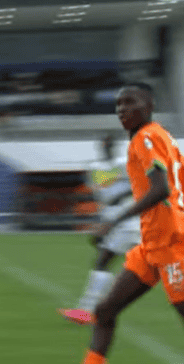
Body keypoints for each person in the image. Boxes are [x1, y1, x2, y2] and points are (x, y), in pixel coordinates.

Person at [39, 84, 184, 364]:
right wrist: (174, 220)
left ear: (149, 105)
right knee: (104, 311)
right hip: (154, 244)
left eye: (130, 102)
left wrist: (114, 221)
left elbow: (161, 188)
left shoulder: (145, 138)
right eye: (118, 104)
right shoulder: (164, 138)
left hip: (168, 246)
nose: (122, 109)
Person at [57, 134, 140, 324]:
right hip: (117, 219)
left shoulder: (124, 164)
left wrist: (107, 223)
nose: (107, 148)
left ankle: (87, 310)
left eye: (110, 145)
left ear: (114, 147)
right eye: (104, 145)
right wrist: (102, 223)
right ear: (101, 147)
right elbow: (103, 194)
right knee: (154, 261)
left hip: (126, 219)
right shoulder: (96, 168)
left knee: (104, 261)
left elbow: (136, 187)